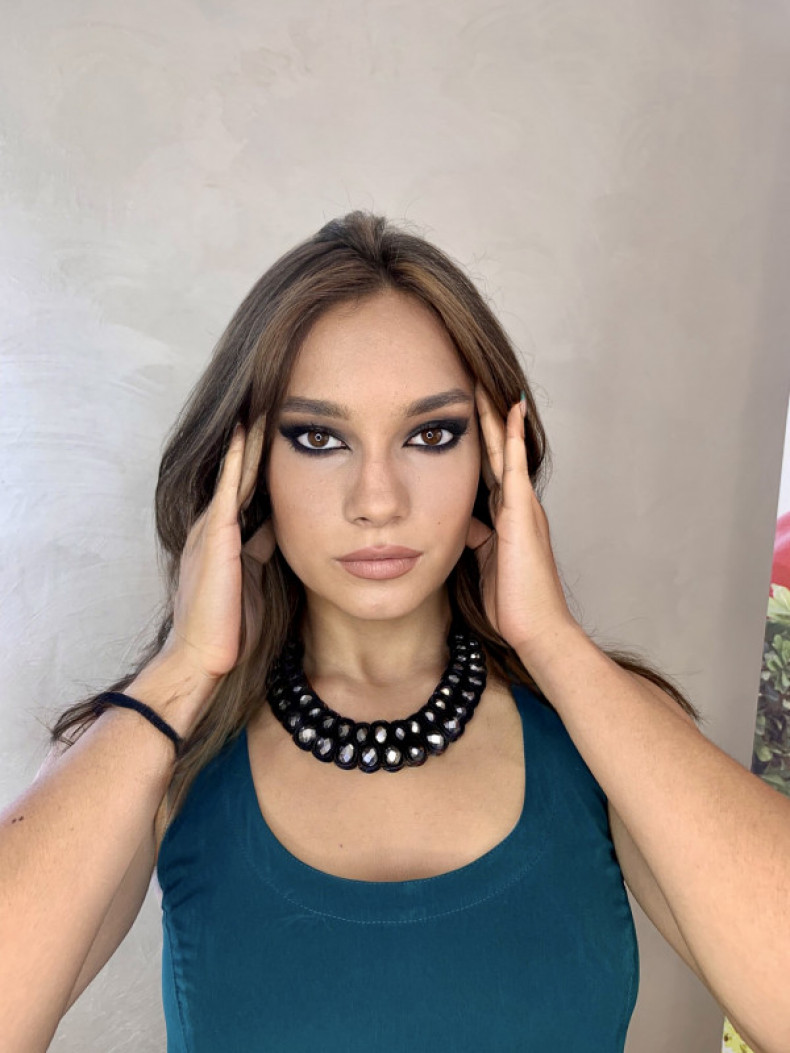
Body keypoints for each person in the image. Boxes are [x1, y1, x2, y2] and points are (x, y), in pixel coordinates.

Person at [0, 212, 783, 1053]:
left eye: (430, 434)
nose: (378, 499)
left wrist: (553, 642)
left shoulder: (604, 726)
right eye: (318, 437)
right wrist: (185, 667)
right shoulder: (156, 746)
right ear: (247, 470)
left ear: (492, 464)